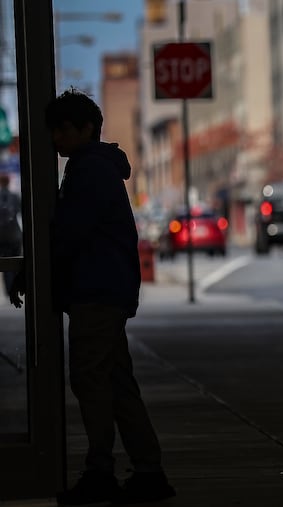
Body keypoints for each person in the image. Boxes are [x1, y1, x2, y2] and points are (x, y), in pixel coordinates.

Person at [9, 90, 175, 505]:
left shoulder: (89, 172)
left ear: (86, 129)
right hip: (105, 290)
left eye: (63, 129)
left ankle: (101, 471)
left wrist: (33, 271)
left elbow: (68, 234)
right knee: (116, 382)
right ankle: (148, 470)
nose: (56, 138)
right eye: (54, 130)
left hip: (95, 293)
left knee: (91, 381)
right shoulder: (95, 168)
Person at [0, 173, 22, 295]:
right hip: (15, 235)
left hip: (2, 236)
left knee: (5, 263)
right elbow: (19, 211)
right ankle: (16, 287)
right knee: (16, 262)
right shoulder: (14, 196)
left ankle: (9, 290)